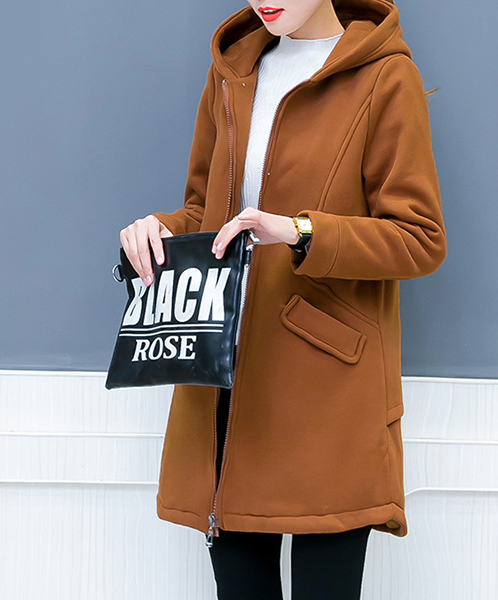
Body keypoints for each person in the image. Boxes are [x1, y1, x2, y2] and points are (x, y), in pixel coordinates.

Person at [119, 0, 446, 597]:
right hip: (225, 379)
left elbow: (419, 238)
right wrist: (158, 230)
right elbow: (205, 214)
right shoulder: (232, 71)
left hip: (327, 391)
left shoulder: (385, 75)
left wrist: (301, 231)